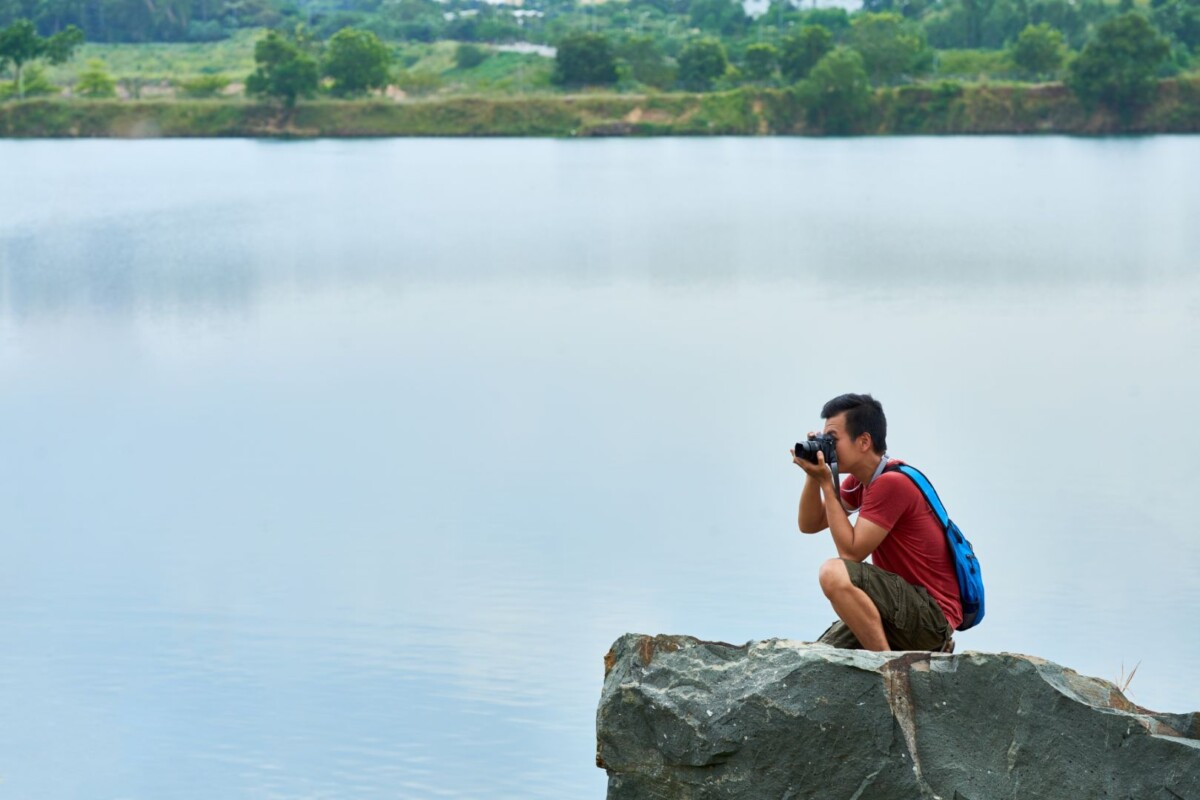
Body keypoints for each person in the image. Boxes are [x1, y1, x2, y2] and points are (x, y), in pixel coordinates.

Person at [791, 393, 960, 653]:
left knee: (833, 573)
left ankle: (887, 670)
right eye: (825, 440)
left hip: (929, 619)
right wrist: (813, 476)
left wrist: (827, 482)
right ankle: (887, 660)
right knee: (822, 655)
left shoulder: (892, 483)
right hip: (898, 611)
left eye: (832, 440)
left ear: (864, 441)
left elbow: (851, 553)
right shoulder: (863, 481)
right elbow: (810, 523)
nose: (828, 447)